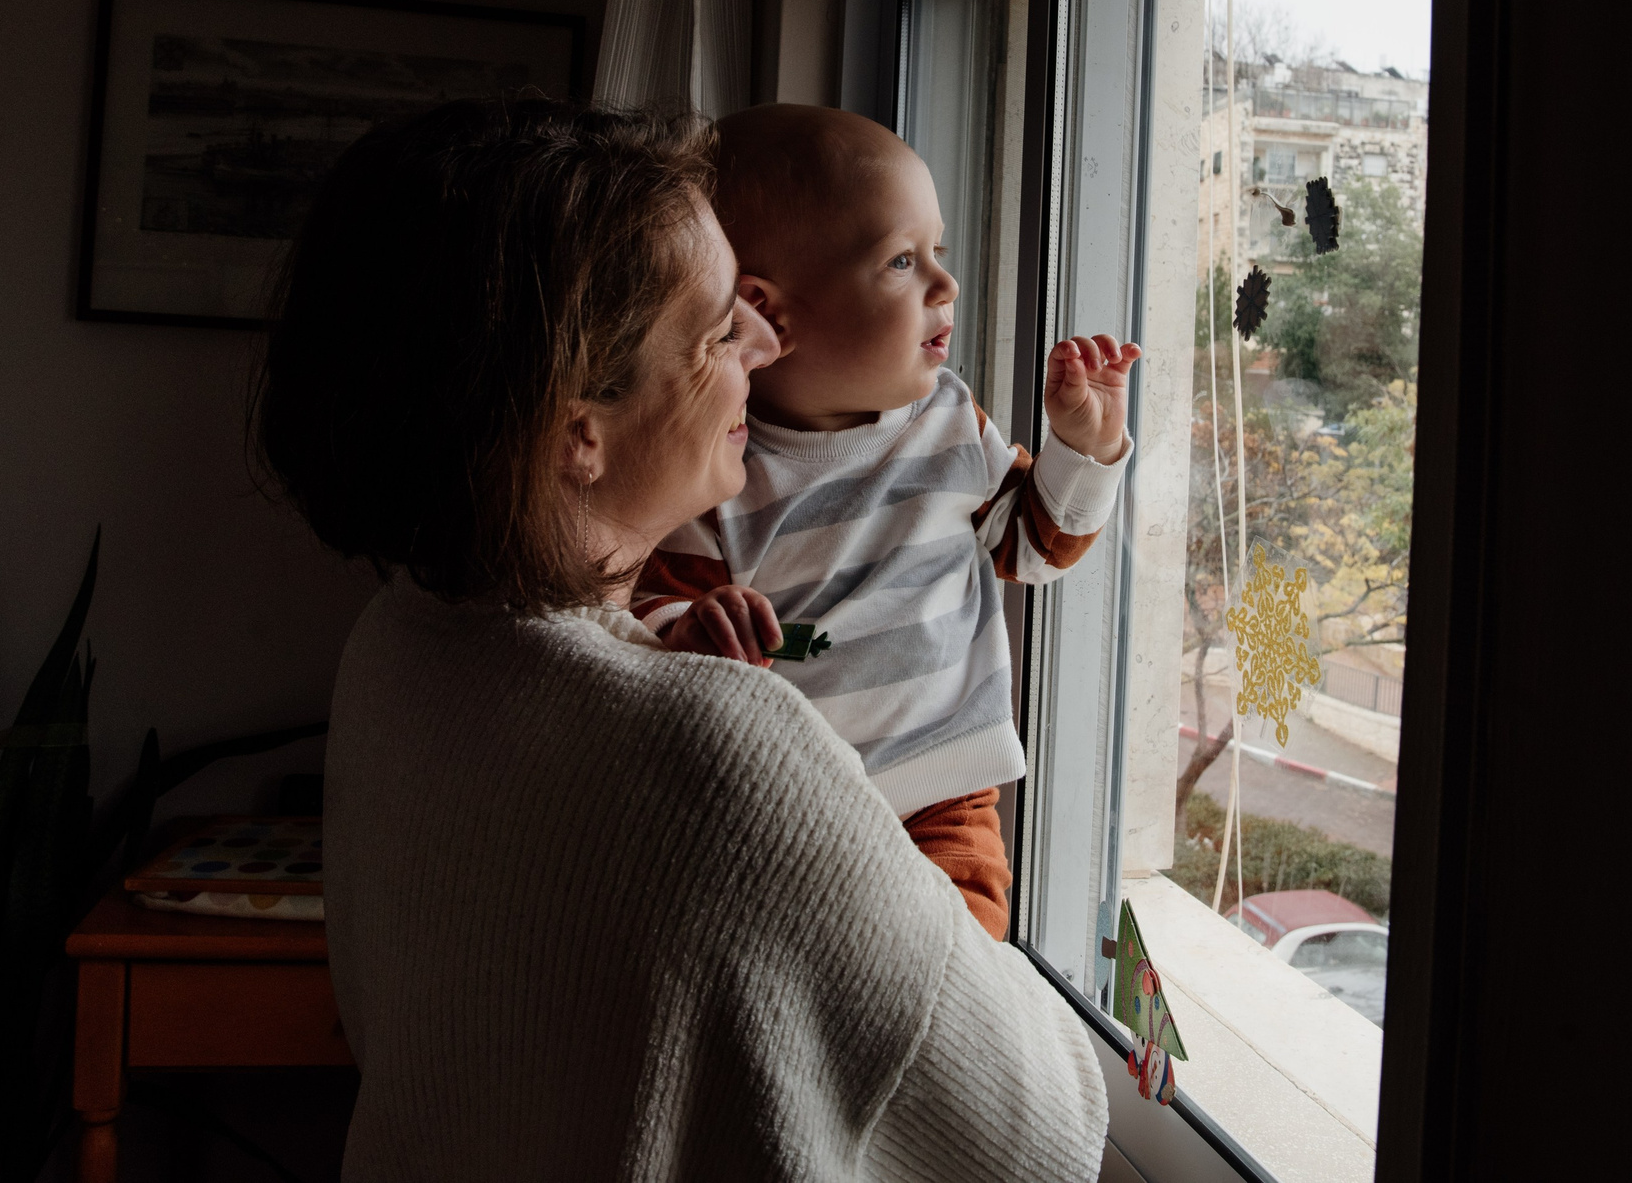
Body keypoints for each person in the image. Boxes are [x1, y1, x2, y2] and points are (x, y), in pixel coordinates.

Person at [256, 96, 1108, 1182]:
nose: (763, 341)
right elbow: (1038, 1138)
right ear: (581, 430)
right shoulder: (714, 745)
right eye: (717, 330)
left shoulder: (401, 644)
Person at [633, 104, 1142, 942]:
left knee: (962, 976)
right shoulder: (719, 461)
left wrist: (1083, 449)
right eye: (902, 261)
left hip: (946, 792)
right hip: (788, 806)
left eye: (936, 252)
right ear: (771, 312)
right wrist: (690, 626)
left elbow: (1032, 546)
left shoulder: (946, 417)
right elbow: (650, 615)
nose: (944, 285)